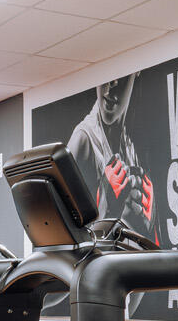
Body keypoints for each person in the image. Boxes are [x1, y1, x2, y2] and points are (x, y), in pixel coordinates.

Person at [67, 74, 159, 244]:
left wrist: (149, 225)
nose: (111, 84)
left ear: (137, 72)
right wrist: (106, 209)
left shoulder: (129, 147)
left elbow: (147, 247)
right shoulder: (83, 139)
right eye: (106, 75)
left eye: (120, 75)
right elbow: (67, 242)